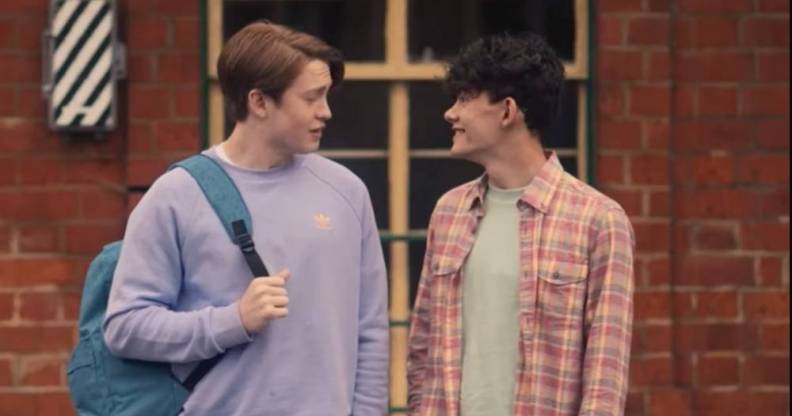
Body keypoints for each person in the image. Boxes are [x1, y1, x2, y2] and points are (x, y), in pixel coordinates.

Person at [104, 21, 389, 415]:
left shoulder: (348, 191)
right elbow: (125, 327)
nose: (326, 112)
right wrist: (232, 321)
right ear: (259, 102)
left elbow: (370, 330)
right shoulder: (177, 196)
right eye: (312, 98)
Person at [407, 33, 635, 415]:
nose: (450, 113)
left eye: (464, 98)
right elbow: (421, 350)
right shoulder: (448, 212)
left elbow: (604, 377)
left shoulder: (599, 221)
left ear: (508, 111)